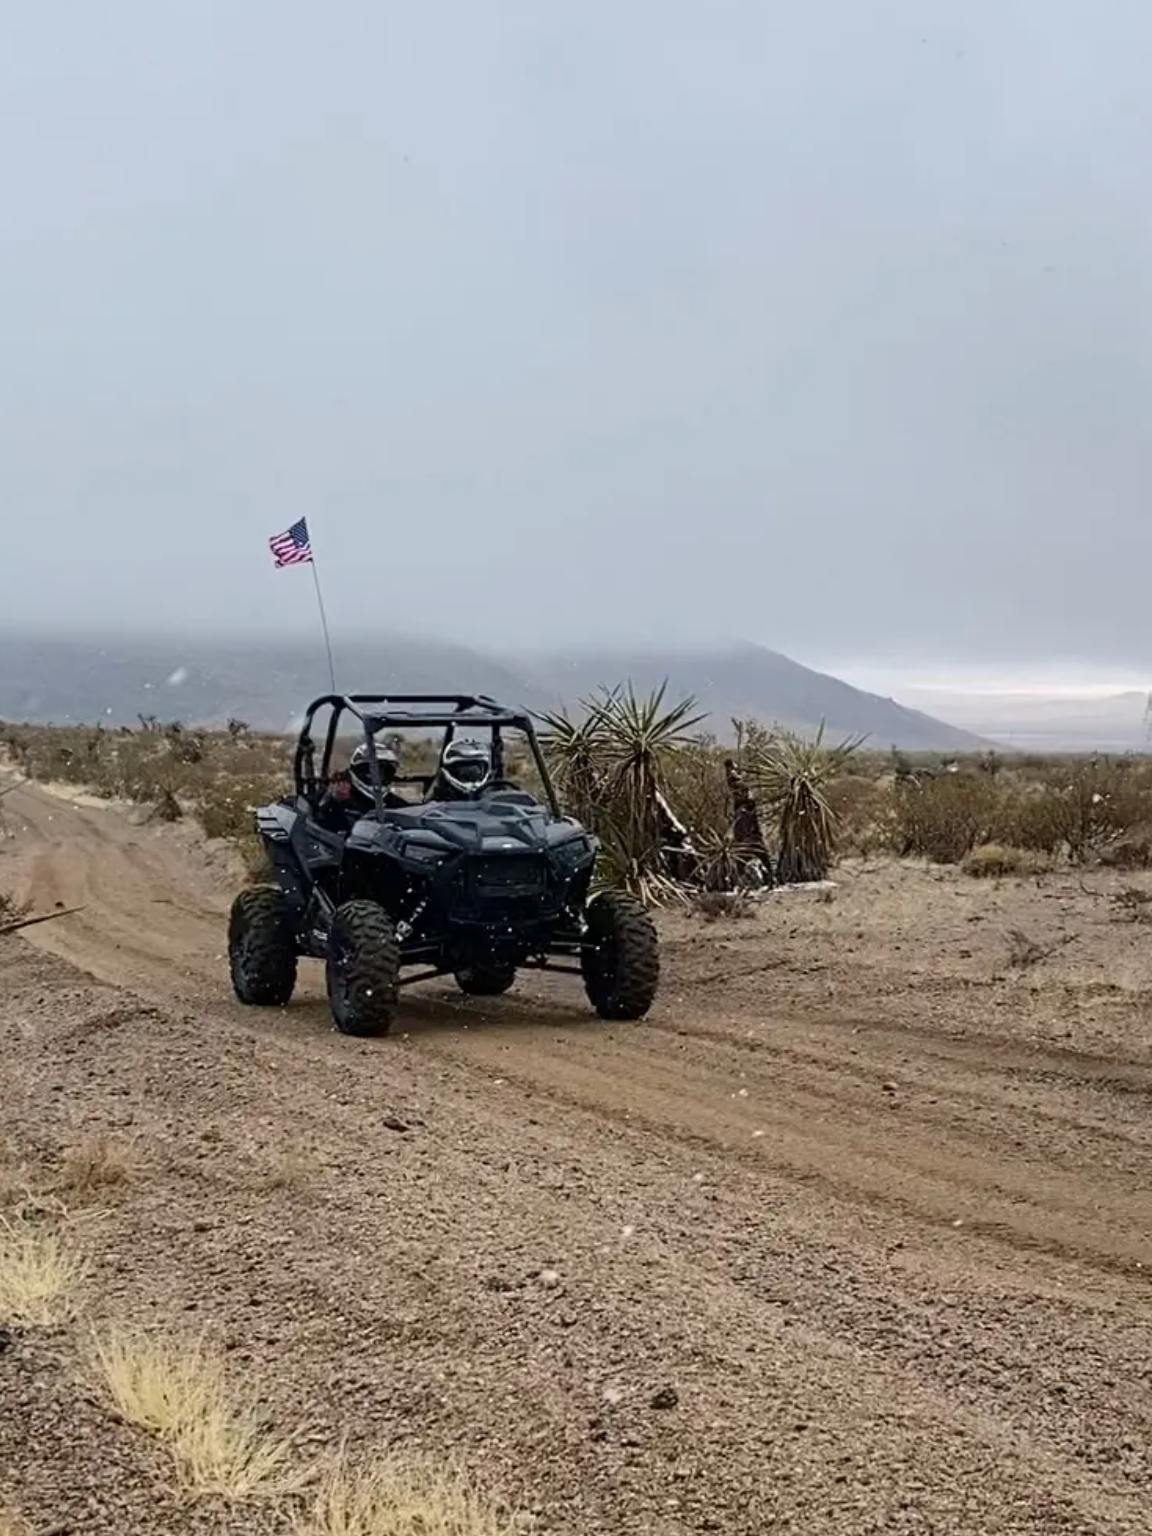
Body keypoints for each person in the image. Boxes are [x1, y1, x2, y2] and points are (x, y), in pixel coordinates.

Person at [427, 737, 493, 801]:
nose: (471, 773)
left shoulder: (491, 793)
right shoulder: (440, 794)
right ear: (450, 769)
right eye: (465, 769)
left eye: (476, 770)